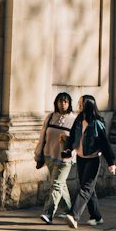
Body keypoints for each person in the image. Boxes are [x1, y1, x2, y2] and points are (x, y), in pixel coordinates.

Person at [63, 94, 116, 228]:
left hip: (93, 160)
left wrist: (111, 162)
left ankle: (73, 215)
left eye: (81, 103)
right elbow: (72, 137)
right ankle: (96, 216)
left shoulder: (97, 123)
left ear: (88, 105)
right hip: (81, 158)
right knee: (88, 188)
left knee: (85, 188)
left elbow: (105, 143)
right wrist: (68, 150)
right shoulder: (79, 119)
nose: (79, 105)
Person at [35, 91, 76, 223]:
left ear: (69, 104)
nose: (62, 104)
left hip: (65, 159)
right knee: (60, 184)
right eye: (60, 101)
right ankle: (69, 211)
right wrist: (38, 153)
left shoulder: (74, 120)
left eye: (65, 101)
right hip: (49, 156)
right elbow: (43, 137)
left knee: (56, 185)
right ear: (56, 103)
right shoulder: (50, 117)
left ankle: (48, 214)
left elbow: (77, 141)